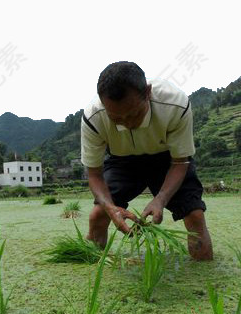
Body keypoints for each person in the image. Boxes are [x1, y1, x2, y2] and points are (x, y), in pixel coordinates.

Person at [80, 61, 213, 260]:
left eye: (134, 114)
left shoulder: (175, 104)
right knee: (98, 214)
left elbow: (181, 162)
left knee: (194, 215)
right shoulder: (93, 117)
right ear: (102, 103)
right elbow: (94, 174)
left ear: (148, 92)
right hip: (122, 161)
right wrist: (110, 208)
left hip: (168, 160)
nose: (129, 123)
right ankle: (92, 267)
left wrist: (160, 199)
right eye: (117, 119)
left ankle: (206, 278)